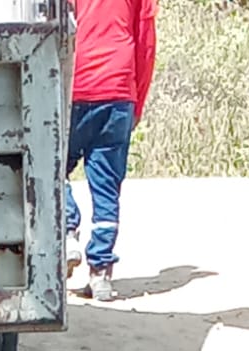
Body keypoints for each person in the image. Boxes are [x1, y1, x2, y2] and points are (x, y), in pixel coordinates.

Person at [65, 0, 157, 302]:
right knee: (106, 187)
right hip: (118, 88)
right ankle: (101, 272)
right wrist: (137, 101)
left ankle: (67, 231)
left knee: (51, 167)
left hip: (73, 85)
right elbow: (145, 41)